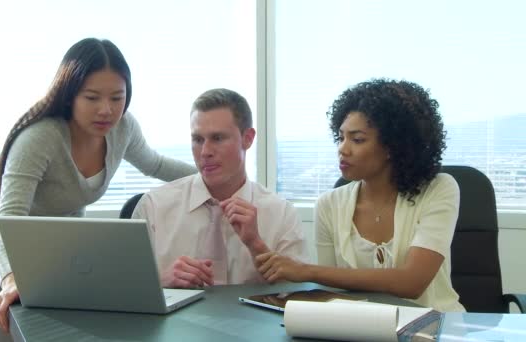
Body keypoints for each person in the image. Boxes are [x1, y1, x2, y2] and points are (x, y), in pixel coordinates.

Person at [0, 38, 196, 339]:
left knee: (71, 329)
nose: (106, 110)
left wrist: (215, 177)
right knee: (19, 331)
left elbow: (155, 165)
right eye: (92, 98)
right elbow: (7, 220)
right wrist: (13, 278)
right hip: (8, 247)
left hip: (62, 242)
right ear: (69, 96)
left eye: (117, 98)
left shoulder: (124, 128)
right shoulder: (41, 138)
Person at [256, 78, 465, 312]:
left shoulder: (439, 189)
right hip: (361, 328)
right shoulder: (329, 204)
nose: (343, 149)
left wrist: (306, 271)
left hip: (435, 328)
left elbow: (412, 283)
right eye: (341, 137)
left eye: (357, 139)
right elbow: (331, 290)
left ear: (392, 146)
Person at [132, 88, 308, 288]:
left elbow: (295, 297)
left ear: (248, 138)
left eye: (217, 138)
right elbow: (124, 292)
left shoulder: (282, 215)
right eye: (198, 140)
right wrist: (160, 282)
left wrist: (256, 244)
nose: (205, 152)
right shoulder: (153, 208)